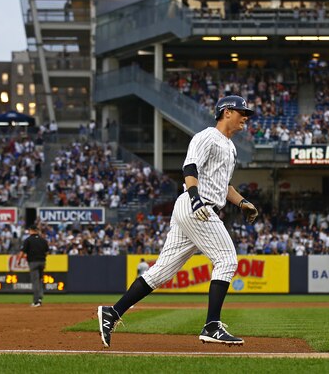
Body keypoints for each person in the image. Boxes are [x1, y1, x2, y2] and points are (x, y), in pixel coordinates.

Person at [98, 95, 259, 348]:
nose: (246, 117)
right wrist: (195, 197)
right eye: (242, 112)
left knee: (161, 272)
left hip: (197, 207)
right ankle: (212, 325)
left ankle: (112, 312)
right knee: (227, 260)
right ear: (226, 112)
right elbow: (189, 167)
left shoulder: (230, 146)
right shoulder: (206, 136)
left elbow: (224, 185)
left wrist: (242, 202)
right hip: (197, 205)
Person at [18, 225, 49, 307]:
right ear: (37, 230)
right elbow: (47, 252)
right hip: (42, 262)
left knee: (35, 281)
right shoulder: (43, 240)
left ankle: (36, 301)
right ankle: (39, 299)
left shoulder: (28, 240)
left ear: (31, 230)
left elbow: (22, 252)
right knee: (40, 280)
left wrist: (19, 260)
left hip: (33, 262)